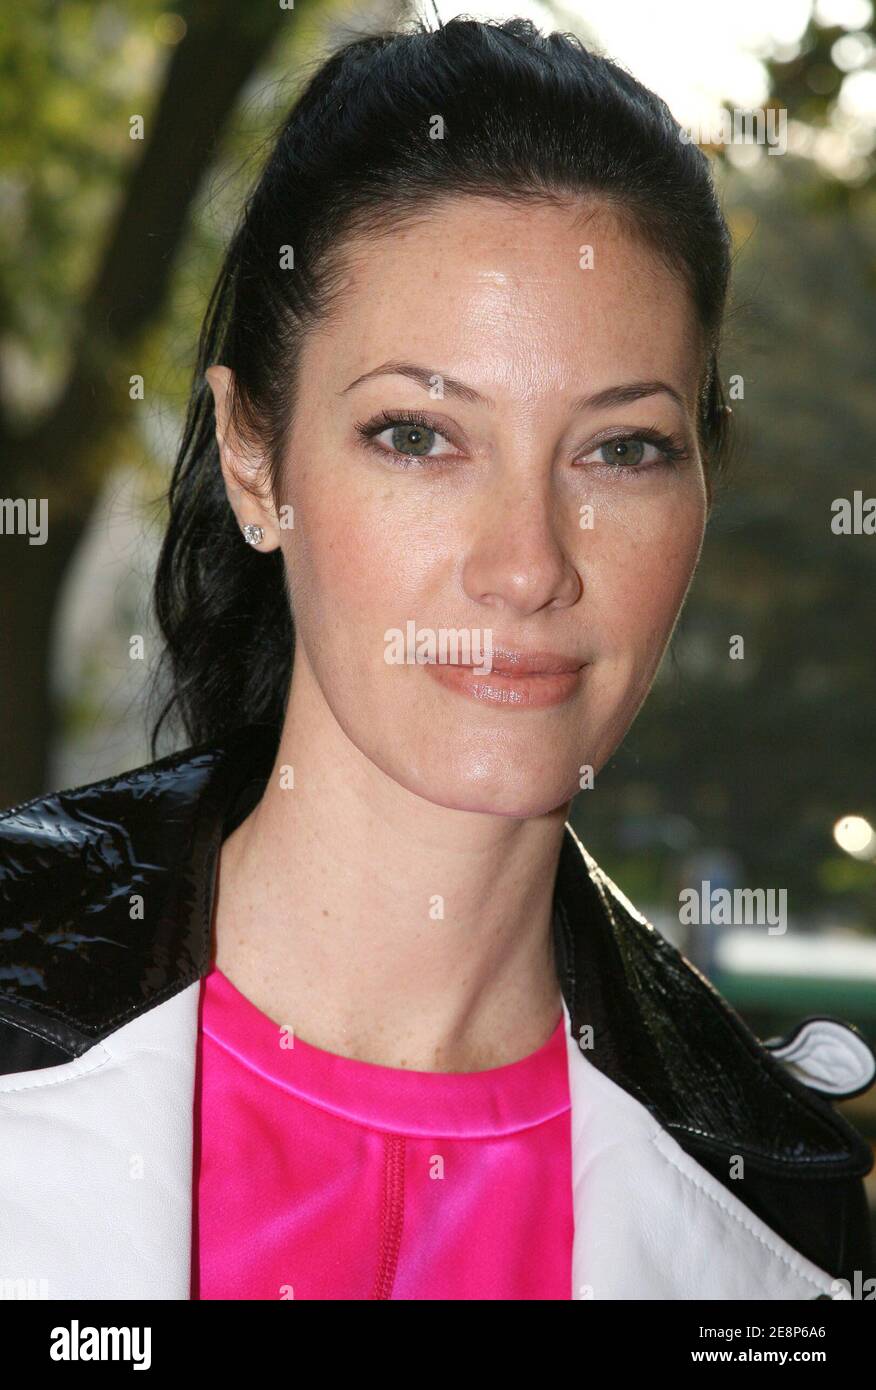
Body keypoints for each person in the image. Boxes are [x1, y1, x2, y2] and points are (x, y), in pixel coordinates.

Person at [0, 16, 873, 1302]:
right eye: (417, 435)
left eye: (620, 447)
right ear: (254, 458)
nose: (527, 565)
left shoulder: (793, 1228)